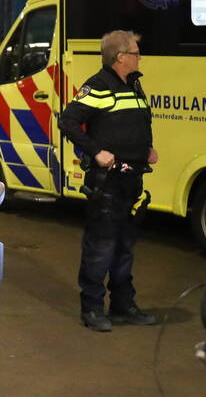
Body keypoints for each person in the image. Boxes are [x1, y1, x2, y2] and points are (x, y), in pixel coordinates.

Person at [59, 30, 158, 333]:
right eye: (136, 52)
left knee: (125, 247)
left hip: (132, 180)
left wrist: (147, 149)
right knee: (101, 248)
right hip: (108, 183)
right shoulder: (99, 86)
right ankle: (91, 308)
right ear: (120, 57)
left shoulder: (134, 85)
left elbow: (139, 122)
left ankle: (123, 305)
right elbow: (68, 121)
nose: (139, 56)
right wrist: (96, 151)